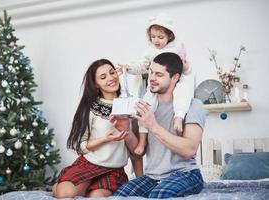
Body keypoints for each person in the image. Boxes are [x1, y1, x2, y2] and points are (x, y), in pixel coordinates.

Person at [113, 52, 207, 199]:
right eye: (150, 72)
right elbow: (139, 151)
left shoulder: (193, 105)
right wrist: (126, 129)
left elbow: (189, 150)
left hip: (186, 174)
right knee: (119, 196)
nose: (151, 78)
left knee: (159, 195)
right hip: (152, 177)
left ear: (175, 78)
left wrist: (153, 126)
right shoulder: (146, 105)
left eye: (159, 74)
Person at [52, 59, 138, 198]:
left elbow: (137, 151)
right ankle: (59, 186)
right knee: (65, 194)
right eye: (103, 77)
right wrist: (105, 139)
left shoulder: (130, 105)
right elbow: (78, 146)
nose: (111, 78)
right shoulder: (90, 108)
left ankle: (87, 189)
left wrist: (139, 180)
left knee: (97, 197)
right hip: (89, 164)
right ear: (96, 84)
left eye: (112, 72)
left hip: (114, 170)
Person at [117, 13, 193, 156]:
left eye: (160, 37)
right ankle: (142, 140)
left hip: (176, 82)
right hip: (155, 88)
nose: (156, 40)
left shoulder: (176, 49)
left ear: (169, 36)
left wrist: (186, 66)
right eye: (153, 37)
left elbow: (187, 70)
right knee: (144, 108)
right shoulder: (149, 52)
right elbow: (142, 66)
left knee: (183, 93)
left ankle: (179, 116)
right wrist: (128, 67)